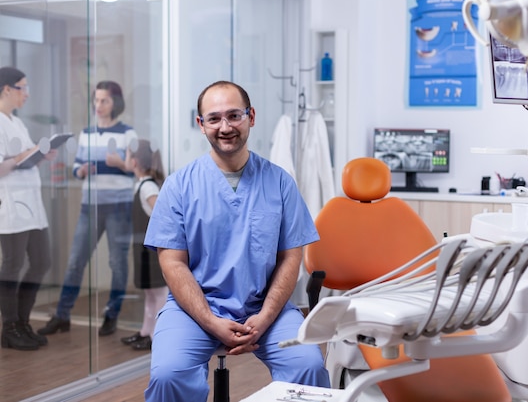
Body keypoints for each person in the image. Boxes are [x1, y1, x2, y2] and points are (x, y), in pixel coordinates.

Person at [143, 81, 330, 401]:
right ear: (201, 125)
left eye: (234, 115)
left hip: (266, 308)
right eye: (214, 118)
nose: (225, 126)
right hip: (194, 310)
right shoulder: (178, 186)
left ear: (251, 117)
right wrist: (210, 321)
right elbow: (172, 263)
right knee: (168, 374)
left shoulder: (280, 183)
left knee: (308, 366)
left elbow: (290, 258)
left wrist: (266, 316)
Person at [38, 80, 137, 337]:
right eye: (96, 100)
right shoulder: (87, 133)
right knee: (74, 263)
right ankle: (62, 314)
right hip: (89, 207)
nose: (98, 105)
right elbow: (76, 167)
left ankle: (111, 315)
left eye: (104, 100)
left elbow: (137, 168)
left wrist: (120, 163)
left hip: (119, 207)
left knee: (117, 263)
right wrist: (81, 171)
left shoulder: (128, 133)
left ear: (115, 102)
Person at [0, 66, 57, 350]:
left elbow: (21, 158)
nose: (27, 93)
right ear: (7, 89)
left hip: (32, 206)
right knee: (11, 267)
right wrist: (24, 155)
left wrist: (39, 155)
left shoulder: (17, 122)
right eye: (23, 87)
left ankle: (22, 322)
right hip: (10, 206)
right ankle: (9, 327)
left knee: (42, 262)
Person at [120, 139, 168, 351]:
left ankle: (157, 335)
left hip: (152, 252)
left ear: (135, 161)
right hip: (144, 251)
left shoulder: (147, 187)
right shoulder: (142, 184)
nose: (125, 159)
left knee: (158, 295)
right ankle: (145, 331)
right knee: (150, 294)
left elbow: (162, 213)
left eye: (127, 155)